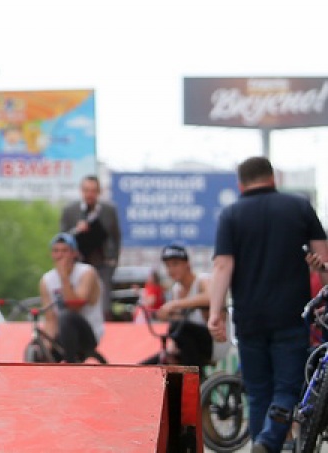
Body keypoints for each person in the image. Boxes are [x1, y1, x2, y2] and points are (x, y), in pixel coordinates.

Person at [207, 157, 328, 453]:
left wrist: (215, 313)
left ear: (240, 183)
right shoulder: (298, 206)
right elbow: (324, 261)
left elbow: (223, 266)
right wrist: (318, 269)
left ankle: (264, 444)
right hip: (291, 314)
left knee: (258, 392)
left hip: (249, 318)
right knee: (286, 388)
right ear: (273, 178)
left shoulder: (231, 215)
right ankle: (269, 440)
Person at [138, 242, 217, 371]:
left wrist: (175, 304)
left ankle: (194, 377)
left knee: (179, 326)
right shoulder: (176, 289)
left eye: (175, 264)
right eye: (168, 266)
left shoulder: (202, 280)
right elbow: (179, 322)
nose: (171, 270)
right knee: (147, 366)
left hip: (212, 341)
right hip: (188, 345)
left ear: (187, 264)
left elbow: (211, 297)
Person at [37, 232, 104, 363]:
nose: (60, 255)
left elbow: (75, 306)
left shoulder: (87, 272)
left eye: (64, 251)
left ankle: (70, 363)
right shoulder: (46, 280)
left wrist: (64, 278)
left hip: (87, 332)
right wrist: (47, 347)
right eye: (56, 251)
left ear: (74, 253)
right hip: (62, 334)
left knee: (66, 315)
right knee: (40, 349)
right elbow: (50, 319)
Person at [60, 175, 122, 314]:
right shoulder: (70, 210)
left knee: (104, 304)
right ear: (81, 191)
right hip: (78, 263)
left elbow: (116, 236)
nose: (90, 194)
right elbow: (62, 238)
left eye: (93, 191)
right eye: (87, 190)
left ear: (99, 192)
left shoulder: (108, 210)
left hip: (102, 263)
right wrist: (77, 230)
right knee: (77, 302)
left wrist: (113, 261)